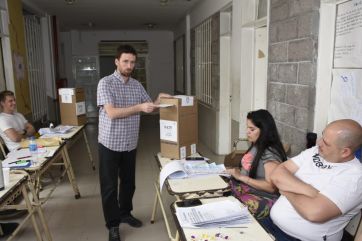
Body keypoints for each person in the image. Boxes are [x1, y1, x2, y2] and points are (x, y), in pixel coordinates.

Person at [97, 44, 170, 241]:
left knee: (129, 183)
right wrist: (139, 106)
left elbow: (150, 108)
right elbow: (111, 113)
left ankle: (125, 213)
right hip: (109, 144)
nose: (129, 65)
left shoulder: (137, 85)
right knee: (110, 187)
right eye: (125, 61)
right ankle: (113, 225)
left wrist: (159, 100)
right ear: (117, 62)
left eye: (132, 62)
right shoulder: (105, 83)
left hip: (130, 143)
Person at [262, 119, 362, 241]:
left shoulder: (355, 177)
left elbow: (313, 213)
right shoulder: (315, 151)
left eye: (326, 142)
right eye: (322, 136)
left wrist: (285, 190)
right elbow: (276, 174)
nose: (319, 142)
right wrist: (309, 190)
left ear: (345, 152)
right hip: (272, 225)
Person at [225, 109, 287, 219]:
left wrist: (241, 177)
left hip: (262, 197)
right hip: (247, 188)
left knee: (228, 207)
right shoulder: (256, 144)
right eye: (247, 128)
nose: (247, 132)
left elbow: (271, 187)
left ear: (264, 131)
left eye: (252, 129)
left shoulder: (270, 153)